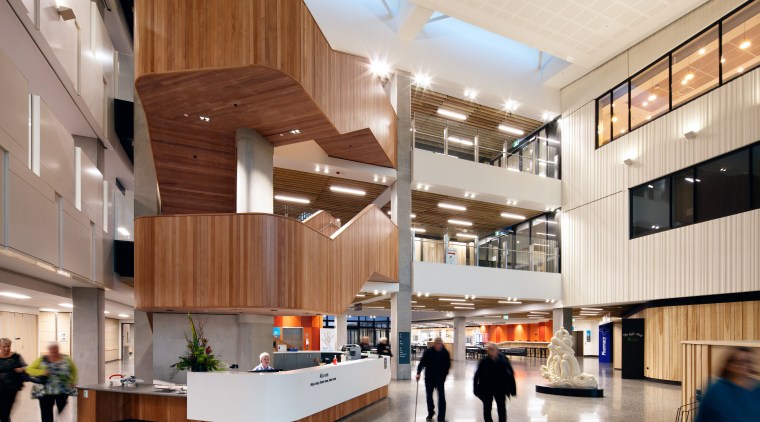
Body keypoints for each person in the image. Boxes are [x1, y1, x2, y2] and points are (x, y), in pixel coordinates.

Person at [696, 346, 760, 422]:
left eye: (748, 361)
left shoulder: (757, 389)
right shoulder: (716, 391)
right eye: (740, 362)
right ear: (729, 365)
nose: (745, 366)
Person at [26, 343, 77, 422]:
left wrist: (73, 380)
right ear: (48, 350)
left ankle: (58, 416)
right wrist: (42, 372)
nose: (54, 350)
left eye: (55, 348)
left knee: (62, 404)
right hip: (44, 390)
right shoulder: (42, 359)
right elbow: (29, 369)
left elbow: (73, 370)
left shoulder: (66, 358)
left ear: (58, 349)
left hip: (62, 389)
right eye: (52, 349)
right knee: (46, 412)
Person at [473, 342, 517, 422]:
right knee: (487, 409)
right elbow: (477, 375)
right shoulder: (484, 361)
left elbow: (510, 374)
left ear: (496, 350)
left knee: (501, 409)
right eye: (489, 349)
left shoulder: (503, 360)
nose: (490, 351)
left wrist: (512, 389)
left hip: (500, 389)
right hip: (487, 389)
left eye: (492, 349)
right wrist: (475, 389)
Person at [416, 337, 450, 422]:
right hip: (429, 379)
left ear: (441, 344)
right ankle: (431, 412)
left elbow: (447, 366)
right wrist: (418, 372)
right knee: (429, 397)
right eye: (436, 344)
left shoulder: (445, 353)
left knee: (442, 399)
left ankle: (441, 418)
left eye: (439, 344)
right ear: (434, 344)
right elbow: (422, 362)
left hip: (440, 380)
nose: (437, 346)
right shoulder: (428, 352)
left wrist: (444, 376)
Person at [0, 338, 26, 422]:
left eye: (8, 346)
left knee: (5, 412)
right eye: (4, 347)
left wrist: (22, 369)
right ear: (0, 347)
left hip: (11, 389)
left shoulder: (16, 357)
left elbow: (25, 366)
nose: (6, 348)